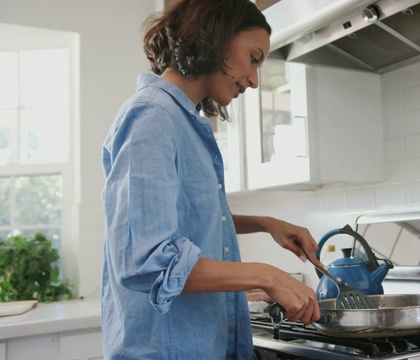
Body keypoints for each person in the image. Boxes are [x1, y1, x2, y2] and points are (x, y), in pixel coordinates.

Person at [100, 1, 321, 359]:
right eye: (253, 57)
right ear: (214, 38)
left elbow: (186, 220)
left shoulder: (183, 121)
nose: (253, 80)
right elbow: (145, 261)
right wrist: (265, 275)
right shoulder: (152, 118)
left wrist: (265, 224)